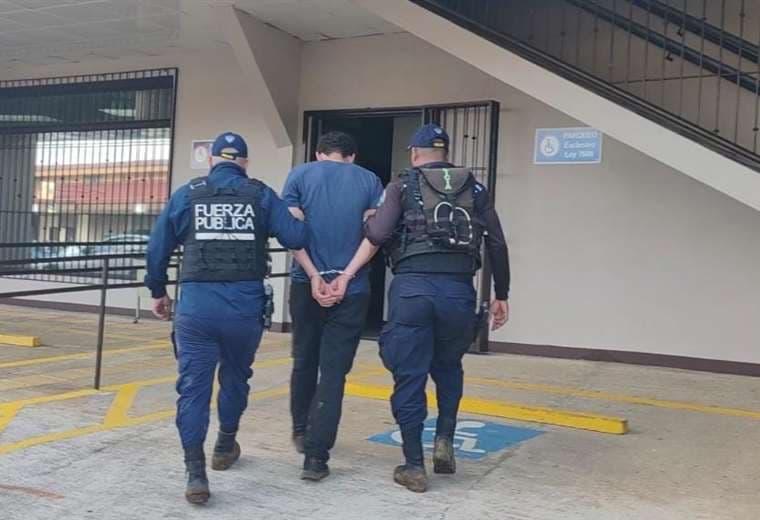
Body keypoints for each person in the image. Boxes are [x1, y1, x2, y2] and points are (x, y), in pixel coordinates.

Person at [332, 123, 511, 493]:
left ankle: (413, 464)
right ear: (446, 153)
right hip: (459, 292)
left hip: (412, 290)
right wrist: (501, 294)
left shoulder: (402, 186)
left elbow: (378, 235)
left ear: (414, 153)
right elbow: (496, 243)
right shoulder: (475, 188)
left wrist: (353, 260)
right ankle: (444, 438)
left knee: (410, 375)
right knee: (449, 367)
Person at [145, 132, 308, 504]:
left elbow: (156, 248)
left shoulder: (187, 194)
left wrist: (158, 291)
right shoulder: (260, 194)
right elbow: (296, 237)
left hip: (197, 310)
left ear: (211, 160)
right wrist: (296, 215)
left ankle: (195, 473)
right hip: (243, 310)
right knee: (235, 377)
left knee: (193, 389)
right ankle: (224, 445)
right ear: (245, 163)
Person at [282, 130, 383, 481]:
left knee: (304, 360)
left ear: (319, 153)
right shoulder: (369, 180)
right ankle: (316, 458)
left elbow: (291, 232)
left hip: (305, 284)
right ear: (351, 156)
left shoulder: (299, 175)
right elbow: (374, 235)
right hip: (352, 289)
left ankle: (300, 430)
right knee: (334, 372)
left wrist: (314, 276)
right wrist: (346, 276)